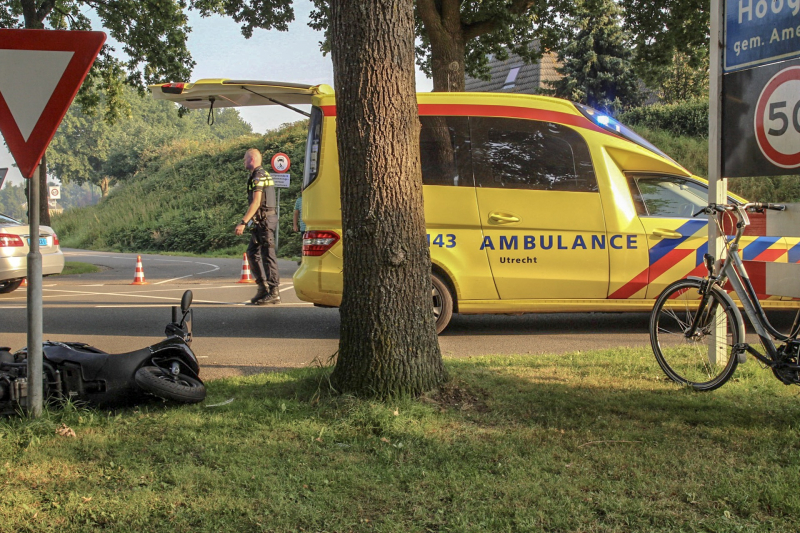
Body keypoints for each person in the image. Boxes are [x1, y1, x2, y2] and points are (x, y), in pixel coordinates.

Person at [235, 148, 280, 305]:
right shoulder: (258, 175)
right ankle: (262, 288)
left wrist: (243, 222)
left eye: (245, 159)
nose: (244, 162)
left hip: (265, 221)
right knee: (252, 253)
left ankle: (274, 292)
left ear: (251, 160)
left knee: (268, 255)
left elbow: (256, 202)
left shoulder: (258, 176)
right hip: (262, 221)